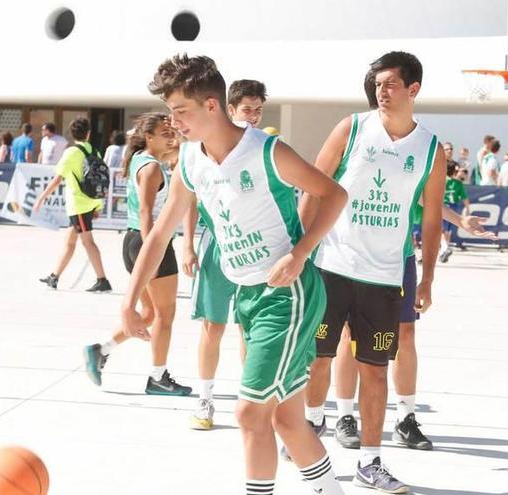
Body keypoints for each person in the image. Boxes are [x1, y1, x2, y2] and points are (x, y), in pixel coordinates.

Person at [122, 54, 347, 495]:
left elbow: (333, 194)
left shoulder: (265, 151)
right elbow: (160, 233)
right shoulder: (189, 161)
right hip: (246, 295)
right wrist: (128, 300)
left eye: (181, 111)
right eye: (169, 113)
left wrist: (301, 253)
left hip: (287, 293)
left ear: (211, 105)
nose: (174, 123)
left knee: (248, 413)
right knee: (285, 418)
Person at [299, 51, 445, 494]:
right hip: (331, 266)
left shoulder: (431, 149)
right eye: (377, 84)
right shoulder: (352, 128)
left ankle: (370, 462)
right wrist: (300, 252)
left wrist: (427, 278)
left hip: (384, 277)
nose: (381, 91)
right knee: (319, 359)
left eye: (390, 84)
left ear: (413, 89)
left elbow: (433, 217)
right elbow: (312, 185)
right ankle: (310, 430)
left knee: (376, 370)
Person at [179, 78, 268, 431]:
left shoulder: (263, 149)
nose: (254, 117)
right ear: (229, 110)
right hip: (217, 247)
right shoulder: (200, 151)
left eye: (259, 110)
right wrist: (187, 244)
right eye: (247, 109)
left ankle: (251, 398)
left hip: (254, 250)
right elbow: (187, 198)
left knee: (249, 329)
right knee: (212, 327)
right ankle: (205, 398)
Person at [83, 113, 192, 395]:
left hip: (133, 240)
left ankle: (101, 349)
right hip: (147, 240)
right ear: (149, 137)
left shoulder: (140, 159)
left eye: (172, 131)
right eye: (165, 132)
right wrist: (151, 251)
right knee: (165, 315)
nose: (171, 135)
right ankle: (158, 377)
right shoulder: (152, 167)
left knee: (148, 313)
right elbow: (145, 210)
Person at [34, 117, 112, 293]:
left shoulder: (71, 153)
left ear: (72, 134)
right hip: (90, 202)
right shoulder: (94, 151)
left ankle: (102, 279)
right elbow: (100, 178)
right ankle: (54, 277)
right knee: (70, 242)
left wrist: (42, 198)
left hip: (78, 204)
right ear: (89, 133)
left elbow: (57, 179)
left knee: (88, 242)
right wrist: (98, 206)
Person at [440, 162, 470, 262]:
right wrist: (468, 209)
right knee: (448, 231)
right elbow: (465, 199)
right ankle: (444, 250)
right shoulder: (459, 183)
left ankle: (445, 249)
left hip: (444, 206)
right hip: (454, 207)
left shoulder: (442, 180)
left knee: (441, 231)